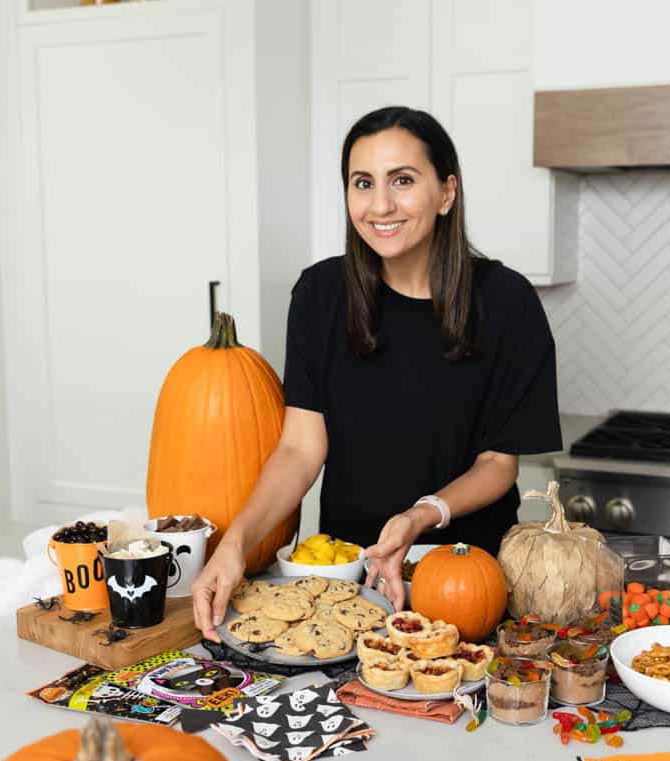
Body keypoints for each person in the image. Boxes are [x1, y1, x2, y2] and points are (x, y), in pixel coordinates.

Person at [193, 106, 561, 639]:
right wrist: (235, 544)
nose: (380, 205)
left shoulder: (507, 303)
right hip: (344, 582)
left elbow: (498, 465)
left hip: (464, 582)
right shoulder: (320, 295)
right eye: (362, 183)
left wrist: (421, 514)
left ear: (447, 193)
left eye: (403, 180)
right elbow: (300, 449)